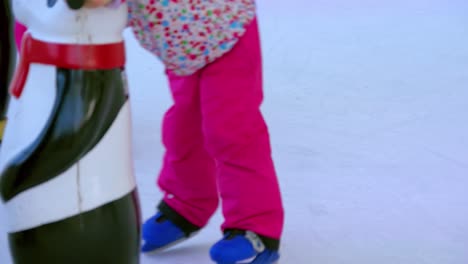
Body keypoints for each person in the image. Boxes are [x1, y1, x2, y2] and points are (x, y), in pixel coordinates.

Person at [15, 0, 284, 263]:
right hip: (182, 50)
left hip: (228, 29)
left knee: (231, 131)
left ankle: (256, 225)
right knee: (183, 129)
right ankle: (186, 207)